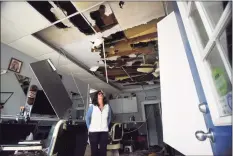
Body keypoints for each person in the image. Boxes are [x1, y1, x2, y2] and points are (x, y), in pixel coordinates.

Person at [85, 90, 112, 156]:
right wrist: (89, 127)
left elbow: (109, 118)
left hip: (104, 131)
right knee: (94, 151)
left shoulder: (107, 107)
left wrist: (106, 126)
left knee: (103, 150)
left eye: (102, 93)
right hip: (93, 131)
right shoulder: (92, 107)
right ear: (96, 96)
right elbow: (87, 118)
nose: (100, 94)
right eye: (99, 93)